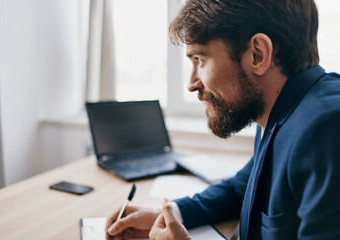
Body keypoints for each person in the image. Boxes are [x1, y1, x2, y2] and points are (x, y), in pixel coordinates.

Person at [106, 0, 340, 239]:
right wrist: (169, 213)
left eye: (200, 60)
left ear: (257, 55)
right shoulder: (278, 107)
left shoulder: (327, 129)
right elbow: (242, 188)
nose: (191, 84)